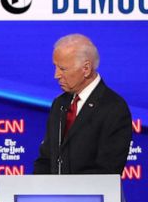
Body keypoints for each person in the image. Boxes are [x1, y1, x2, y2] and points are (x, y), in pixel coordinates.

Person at [33, 34, 132, 175]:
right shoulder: (59, 104)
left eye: (63, 69)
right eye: (55, 67)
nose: (56, 75)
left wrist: (70, 193)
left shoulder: (114, 108)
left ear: (86, 69)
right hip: (55, 195)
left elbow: (108, 169)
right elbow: (46, 159)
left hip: (93, 195)